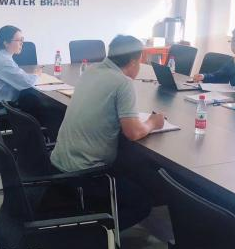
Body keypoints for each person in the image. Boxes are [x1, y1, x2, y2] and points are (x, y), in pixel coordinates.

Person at [51, 35, 165, 231]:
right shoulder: (122, 83)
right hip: (86, 173)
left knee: (131, 163)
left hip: (59, 163)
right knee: (142, 203)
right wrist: (153, 123)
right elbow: (133, 132)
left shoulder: (90, 71)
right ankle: (95, 233)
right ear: (134, 61)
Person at [0, 25, 41, 103]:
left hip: (2, 102)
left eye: (22, 40)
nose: (22, 43)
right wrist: (36, 74)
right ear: (6, 43)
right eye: (19, 40)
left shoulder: (3, 56)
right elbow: (27, 83)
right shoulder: (5, 62)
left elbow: (21, 77)